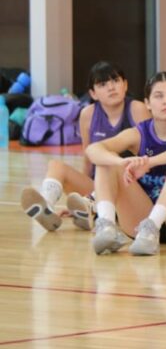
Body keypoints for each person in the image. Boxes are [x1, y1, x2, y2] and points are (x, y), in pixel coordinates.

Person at [85, 72, 166, 256]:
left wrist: (149, 162)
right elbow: (93, 149)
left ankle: (153, 225)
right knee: (107, 160)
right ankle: (107, 227)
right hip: (140, 225)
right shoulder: (139, 132)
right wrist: (121, 161)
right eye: (159, 96)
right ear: (148, 103)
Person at [21, 61, 149, 232]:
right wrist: (81, 197)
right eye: (103, 84)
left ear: (125, 85)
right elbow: (88, 160)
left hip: (129, 189)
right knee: (56, 165)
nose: (111, 87)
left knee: (111, 159)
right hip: (99, 187)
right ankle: (49, 207)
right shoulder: (88, 114)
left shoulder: (137, 109)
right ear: (93, 93)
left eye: (115, 81)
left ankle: (92, 206)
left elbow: (148, 157)